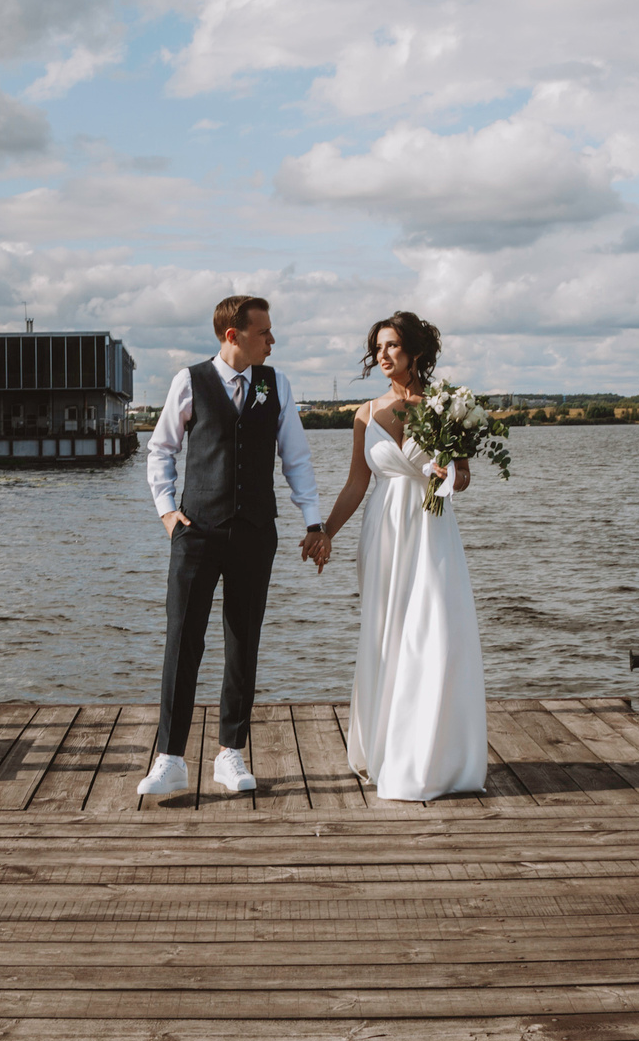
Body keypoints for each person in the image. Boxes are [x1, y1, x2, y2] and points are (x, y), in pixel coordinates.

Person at [138, 294, 325, 798]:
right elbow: (161, 449)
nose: (272, 340)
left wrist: (313, 521)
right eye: (264, 332)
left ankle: (230, 753)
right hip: (196, 532)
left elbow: (297, 459)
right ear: (233, 335)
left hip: (254, 532)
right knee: (184, 641)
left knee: (244, 639)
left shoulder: (276, 384)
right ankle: (170, 760)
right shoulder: (190, 381)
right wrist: (166, 512)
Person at [301, 311, 488, 802]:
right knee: (387, 635)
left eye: (393, 348)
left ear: (416, 354)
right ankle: (386, 750)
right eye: (378, 348)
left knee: (434, 633)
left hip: (432, 532)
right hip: (383, 534)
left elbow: (462, 478)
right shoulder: (364, 413)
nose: (383, 356)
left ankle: (432, 756)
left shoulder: (447, 407)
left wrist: (448, 472)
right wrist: (325, 531)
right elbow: (357, 483)